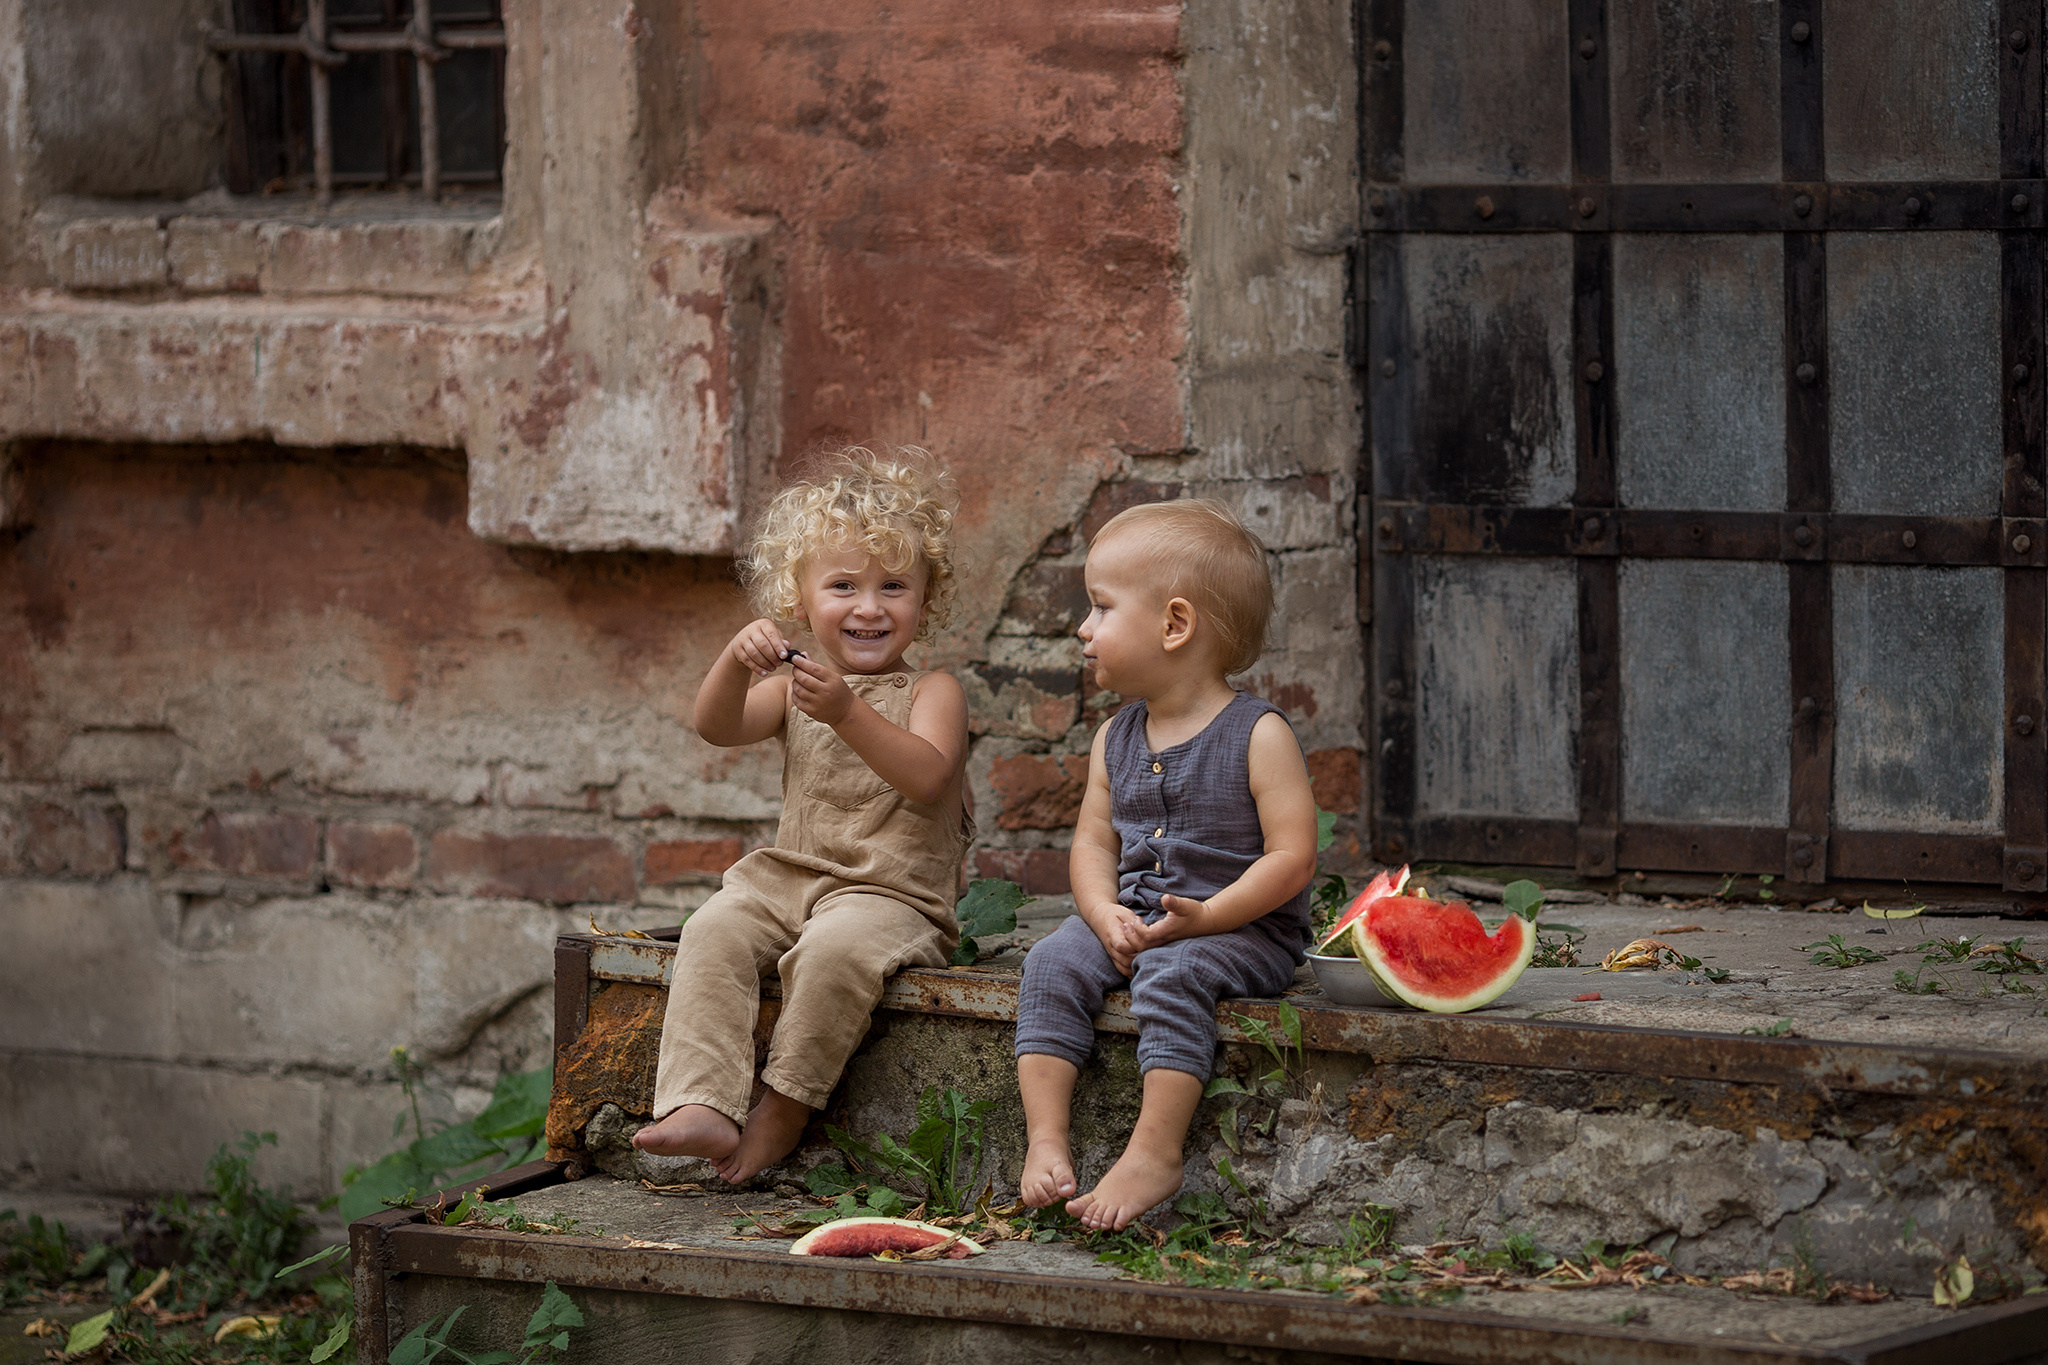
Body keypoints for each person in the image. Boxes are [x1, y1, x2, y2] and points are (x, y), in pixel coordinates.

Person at [632, 447, 972, 1184]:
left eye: (894, 586)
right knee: (712, 927)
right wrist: (734, 661)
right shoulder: (794, 688)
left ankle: (784, 1106)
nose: (870, 607)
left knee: (832, 953)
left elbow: (927, 776)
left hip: (890, 897)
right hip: (791, 880)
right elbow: (717, 726)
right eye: (843, 585)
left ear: (925, 599)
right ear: (801, 597)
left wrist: (847, 712)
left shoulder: (933, 691)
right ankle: (701, 1101)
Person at [1014, 498, 1318, 1230]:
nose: (1083, 628)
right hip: (1138, 918)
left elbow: (1293, 856)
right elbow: (1093, 845)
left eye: (1100, 607)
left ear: (1175, 624)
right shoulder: (1114, 737)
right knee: (1051, 960)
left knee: (1174, 971)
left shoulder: (1258, 734)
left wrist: (1208, 916)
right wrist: (1100, 913)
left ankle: (1155, 1151)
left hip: (1242, 929)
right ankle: (1045, 1136)